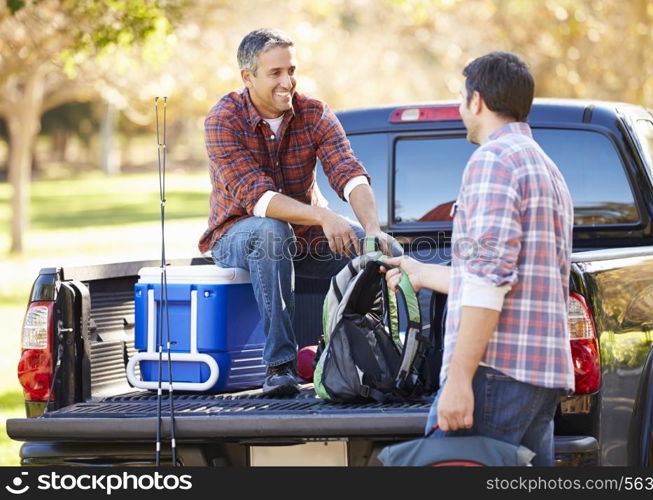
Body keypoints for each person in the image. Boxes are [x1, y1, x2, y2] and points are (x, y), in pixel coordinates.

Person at [383, 51, 574, 466]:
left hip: (493, 372)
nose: (459, 108)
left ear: (478, 101)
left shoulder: (493, 161)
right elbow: (497, 272)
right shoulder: (545, 167)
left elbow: (491, 282)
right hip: (536, 377)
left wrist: (459, 380)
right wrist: (422, 273)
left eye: (460, 97)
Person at [199, 28, 397, 397]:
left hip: (301, 239)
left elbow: (348, 172)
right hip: (237, 236)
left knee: (386, 252)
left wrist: (372, 230)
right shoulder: (222, 120)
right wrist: (324, 216)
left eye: (291, 70)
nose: (287, 81)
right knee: (272, 231)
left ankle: (378, 358)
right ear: (248, 77)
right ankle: (279, 367)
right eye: (275, 73)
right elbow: (259, 199)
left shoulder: (315, 113)